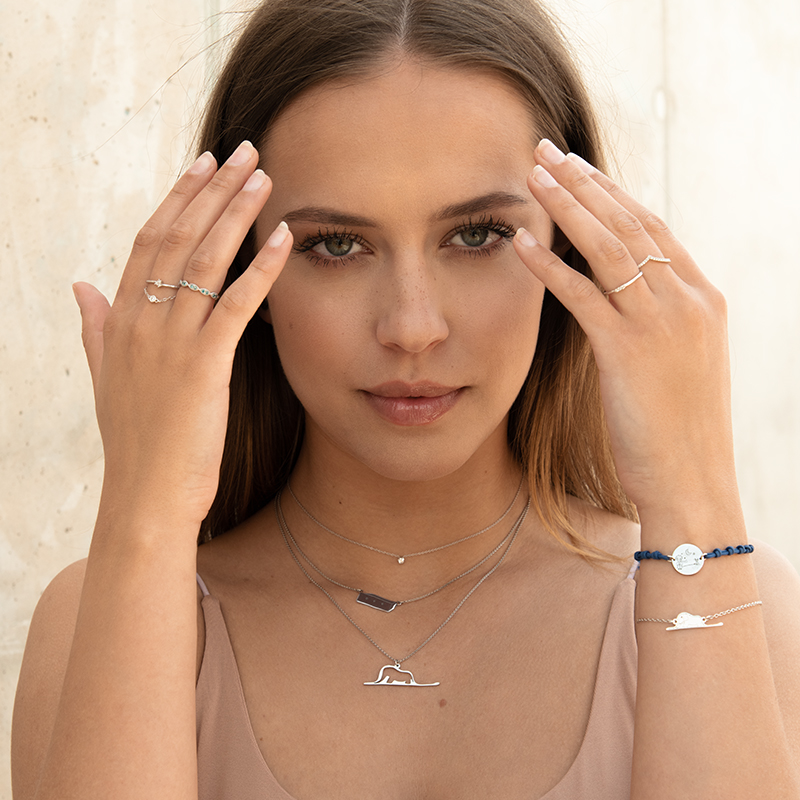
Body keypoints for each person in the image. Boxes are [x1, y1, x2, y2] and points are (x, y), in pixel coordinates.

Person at [10, 0, 800, 797]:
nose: (412, 327)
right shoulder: (98, 618)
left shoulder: (733, 603)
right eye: (336, 245)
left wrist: (692, 490)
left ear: (573, 243)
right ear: (239, 265)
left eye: (477, 235)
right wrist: (144, 508)